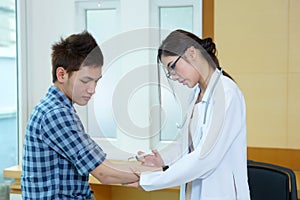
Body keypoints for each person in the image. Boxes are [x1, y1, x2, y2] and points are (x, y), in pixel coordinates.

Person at [21, 31, 158, 200]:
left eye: (96, 81)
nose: (92, 90)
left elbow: (99, 162)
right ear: (62, 74)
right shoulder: (56, 114)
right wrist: (159, 175)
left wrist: (156, 170)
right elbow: (104, 174)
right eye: (85, 81)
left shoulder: (60, 109)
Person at [127, 29, 250, 200]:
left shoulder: (227, 93)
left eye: (172, 67)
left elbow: (205, 158)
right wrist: (161, 160)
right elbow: (187, 146)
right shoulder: (196, 95)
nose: (173, 76)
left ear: (192, 53)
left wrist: (150, 180)